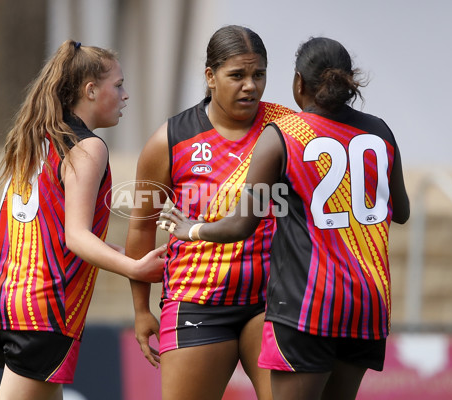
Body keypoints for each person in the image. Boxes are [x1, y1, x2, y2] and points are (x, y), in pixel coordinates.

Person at [159, 36, 410, 400]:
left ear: (298, 83)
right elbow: (400, 212)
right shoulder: (380, 132)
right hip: (368, 305)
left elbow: (240, 224)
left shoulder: (283, 135)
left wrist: (191, 228)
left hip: (309, 303)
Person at [0, 40, 166, 400]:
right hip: (42, 310)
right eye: (119, 85)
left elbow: (57, 235)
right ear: (91, 90)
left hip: (3, 300)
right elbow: (77, 238)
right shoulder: (88, 147)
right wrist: (135, 270)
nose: (126, 95)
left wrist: (132, 259)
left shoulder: (36, 137)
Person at [126, 25, 294, 400]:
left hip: (272, 300)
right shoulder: (170, 140)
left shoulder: (287, 127)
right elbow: (141, 230)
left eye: (259, 74)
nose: (250, 85)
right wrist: (140, 309)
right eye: (237, 75)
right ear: (210, 77)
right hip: (198, 302)